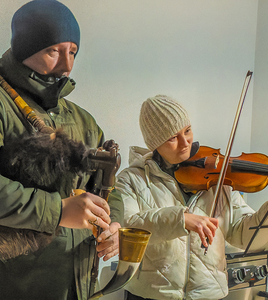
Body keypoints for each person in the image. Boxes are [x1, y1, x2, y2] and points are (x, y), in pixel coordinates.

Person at [0, 0, 123, 299]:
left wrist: (114, 223)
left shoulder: (83, 119)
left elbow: (106, 189)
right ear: (25, 48)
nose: (66, 65)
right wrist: (58, 211)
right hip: (12, 287)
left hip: (80, 286)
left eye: (73, 52)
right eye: (53, 51)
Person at [108, 94, 268, 300]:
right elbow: (128, 228)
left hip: (208, 294)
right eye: (172, 137)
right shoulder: (131, 179)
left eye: (188, 131)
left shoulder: (217, 174)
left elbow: (244, 236)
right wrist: (180, 218)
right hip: (153, 295)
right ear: (154, 143)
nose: (185, 143)